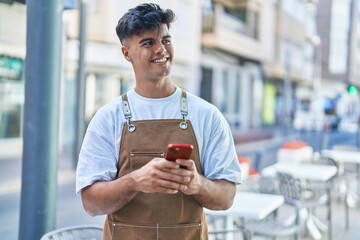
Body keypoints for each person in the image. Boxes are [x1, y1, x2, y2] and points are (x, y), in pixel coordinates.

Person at [76, 3, 241, 240]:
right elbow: (91, 203)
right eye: (148, 43)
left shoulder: (207, 115)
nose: (161, 49)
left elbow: (227, 197)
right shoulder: (108, 118)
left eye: (165, 40)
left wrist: (197, 184)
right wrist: (136, 181)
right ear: (126, 53)